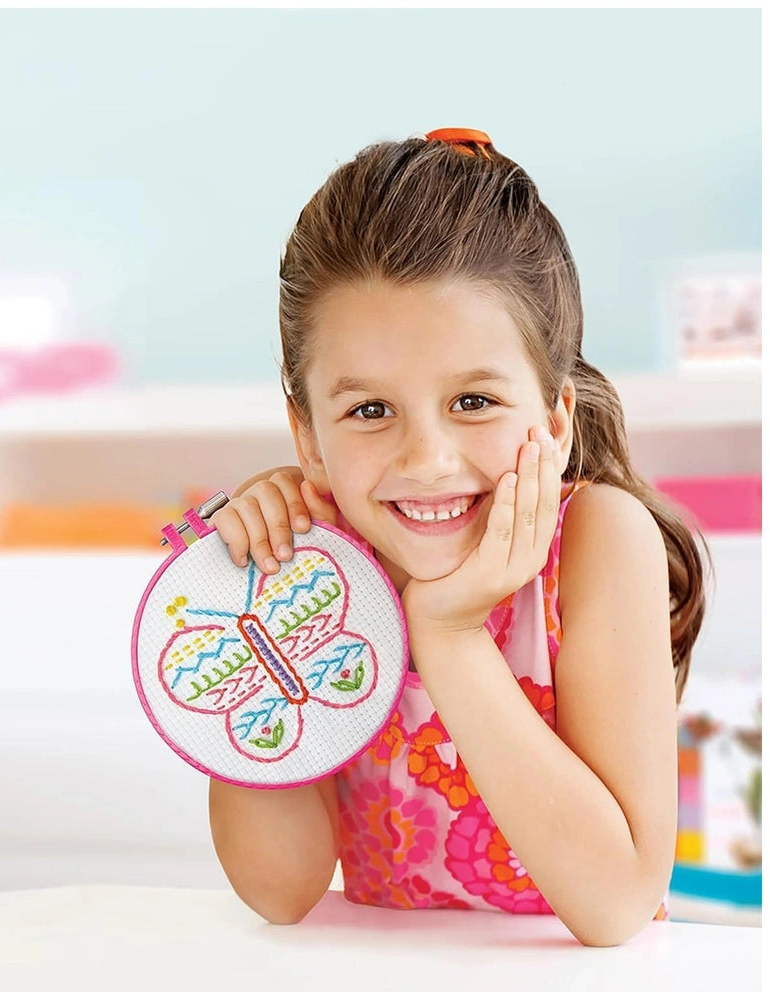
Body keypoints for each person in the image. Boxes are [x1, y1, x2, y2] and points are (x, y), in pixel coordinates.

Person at [206, 128, 708, 947]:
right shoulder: (329, 563)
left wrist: (449, 632)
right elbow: (279, 890)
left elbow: (615, 903)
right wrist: (258, 612)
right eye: (369, 411)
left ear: (554, 417)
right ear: (307, 438)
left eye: (473, 401)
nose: (427, 460)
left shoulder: (597, 544)